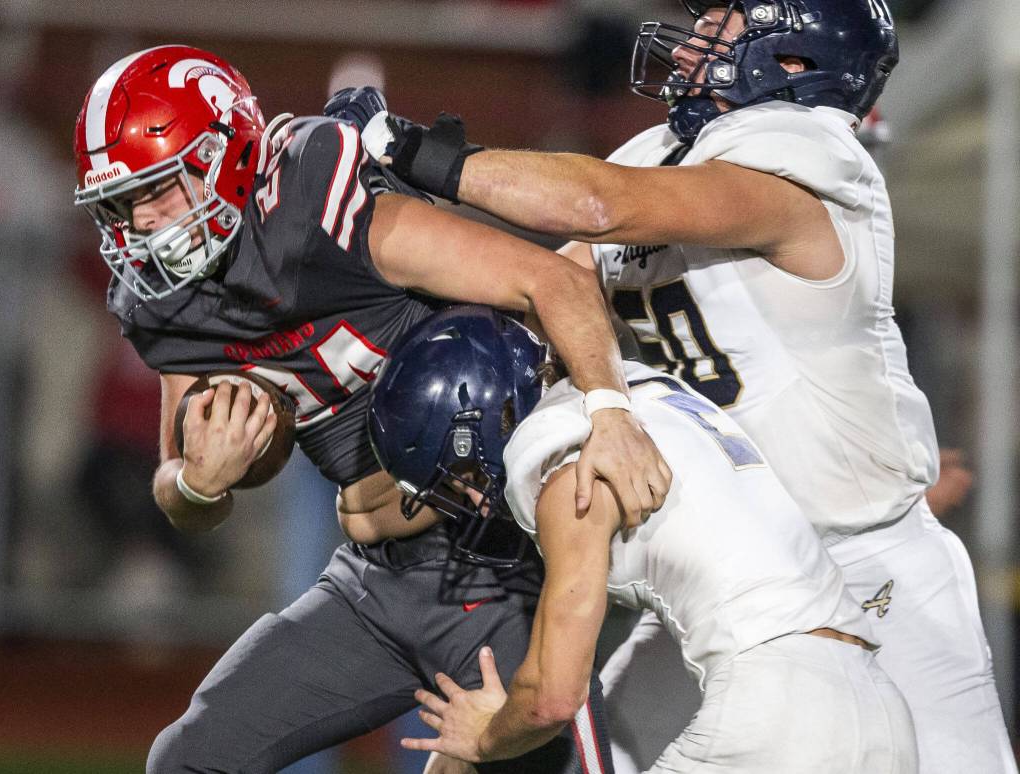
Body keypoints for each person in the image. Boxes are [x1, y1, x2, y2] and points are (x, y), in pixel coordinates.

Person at [336, 2, 1016, 772]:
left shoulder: (811, 157)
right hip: (740, 569)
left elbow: (600, 205)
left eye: (725, 27)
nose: (692, 43)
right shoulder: (664, 153)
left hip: (866, 558)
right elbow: (544, 284)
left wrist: (402, 147)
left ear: (794, 62)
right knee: (601, 756)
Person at [72, 45, 672, 773]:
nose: (141, 222)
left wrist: (610, 412)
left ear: (224, 157)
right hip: (371, 582)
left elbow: (556, 282)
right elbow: (179, 487)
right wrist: (201, 483)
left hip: (496, 570)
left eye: (159, 188)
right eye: (121, 203)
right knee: (188, 759)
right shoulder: (168, 301)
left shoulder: (313, 207)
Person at [368, 305, 918, 773]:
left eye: (463, 473)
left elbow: (553, 700)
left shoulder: (569, 467)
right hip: (882, 711)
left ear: (493, 411)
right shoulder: (645, 401)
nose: (476, 499)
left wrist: (484, 737)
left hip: (778, 711)